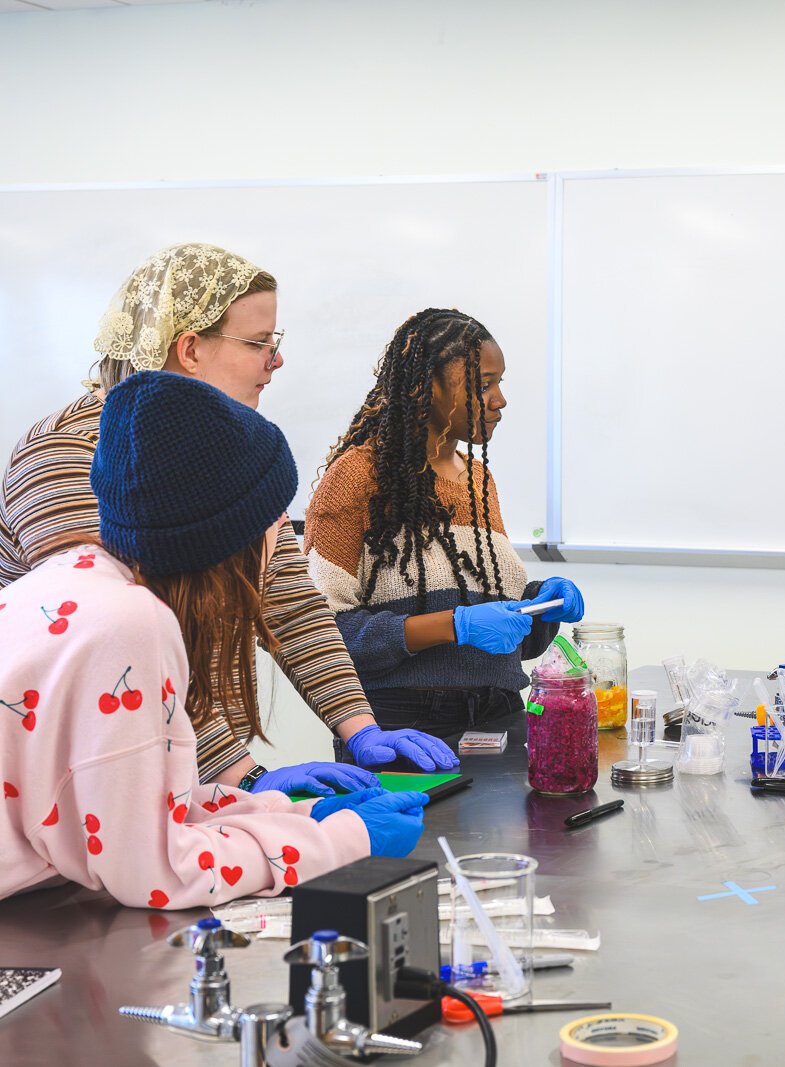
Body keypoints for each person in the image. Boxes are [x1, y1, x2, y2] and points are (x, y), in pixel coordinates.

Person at [0, 243, 457, 791]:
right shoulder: (68, 455)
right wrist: (243, 779)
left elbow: (289, 603)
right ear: (190, 349)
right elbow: (119, 646)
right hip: (85, 776)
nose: (277, 359)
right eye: (259, 342)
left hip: (188, 766)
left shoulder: (223, 451)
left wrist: (359, 727)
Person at [0, 371, 429, 909]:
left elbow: (142, 806)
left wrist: (288, 812)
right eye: (275, 518)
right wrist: (342, 840)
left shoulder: (78, 577)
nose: (283, 532)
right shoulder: (132, 623)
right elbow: (159, 871)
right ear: (229, 537)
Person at [306, 308, 584, 763]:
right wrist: (451, 627)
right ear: (425, 387)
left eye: (500, 383)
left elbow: (507, 636)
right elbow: (323, 635)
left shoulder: (478, 482)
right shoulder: (358, 476)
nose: (500, 400)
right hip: (403, 727)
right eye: (483, 384)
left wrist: (542, 605)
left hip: (499, 714)